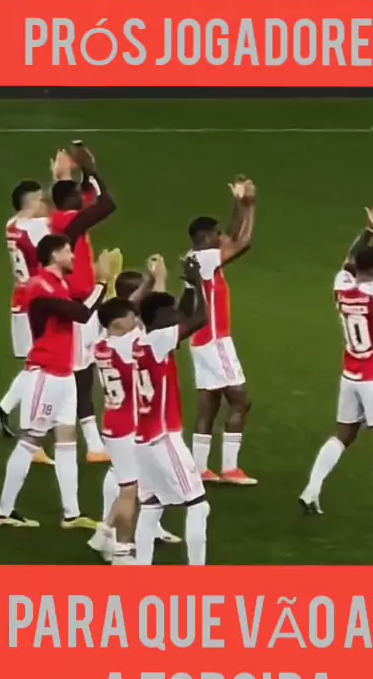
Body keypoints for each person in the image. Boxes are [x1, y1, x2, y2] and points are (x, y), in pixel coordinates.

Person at [299, 203, 373, 520]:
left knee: (344, 432)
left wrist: (368, 231)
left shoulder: (342, 287)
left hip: (350, 374)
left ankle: (311, 489)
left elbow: (349, 258)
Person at [0, 234, 108, 529]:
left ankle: (72, 514)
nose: (73, 256)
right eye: (69, 252)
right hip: (45, 375)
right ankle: (4, 512)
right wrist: (103, 282)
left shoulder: (60, 284)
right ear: (54, 254)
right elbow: (81, 314)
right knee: (30, 442)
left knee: (67, 443)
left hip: (64, 376)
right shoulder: (40, 286)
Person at [96, 259, 180, 550]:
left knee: (132, 482)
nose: (135, 319)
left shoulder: (103, 341)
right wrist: (159, 281)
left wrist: (147, 282)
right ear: (120, 324)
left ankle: (103, 536)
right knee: (129, 490)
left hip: (112, 421)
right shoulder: (128, 344)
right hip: (128, 426)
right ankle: (122, 550)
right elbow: (155, 320)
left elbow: (126, 309)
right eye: (130, 318)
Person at [134, 255, 210, 566]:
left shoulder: (139, 340)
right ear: (159, 318)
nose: (177, 316)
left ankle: (140, 568)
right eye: (171, 313)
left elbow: (185, 317)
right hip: (163, 438)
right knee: (198, 505)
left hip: (141, 441)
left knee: (151, 506)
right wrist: (199, 283)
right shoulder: (158, 340)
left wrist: (188, 287)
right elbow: (200, 319)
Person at [50, 142, 117, 462]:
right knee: (80, 376)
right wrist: (90, 168)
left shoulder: (67, 218)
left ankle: (94, 442)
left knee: (86, 371)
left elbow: (93, 196)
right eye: (77, 196)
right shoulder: (68, 224)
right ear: (68, 202)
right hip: (79, 306)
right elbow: (107, 204)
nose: (82, 198)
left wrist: (78, 174)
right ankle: (90, 444)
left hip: (87, 303)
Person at [189, 178, 257, 485]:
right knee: (240, 401)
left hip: (201, 341)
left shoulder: (196, 258)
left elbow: (231, 235)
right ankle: (230, 468)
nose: (221, 237)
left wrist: (238, 204)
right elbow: (242, 242)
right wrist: (249, 206)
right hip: (215, 341)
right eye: (215, 234)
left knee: (209, 404)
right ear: (204, 237)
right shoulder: (205, 259)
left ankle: (199, 467)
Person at [0, 180, 55, 465]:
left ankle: (3, 409)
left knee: (34, 364)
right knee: (40, 365)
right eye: (40, 200)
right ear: (30, 202)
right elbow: (61, 226)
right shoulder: (37, 228)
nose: (45, 204)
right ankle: (31, 434)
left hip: (20, 300)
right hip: (36, 304)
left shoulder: (12, 224)